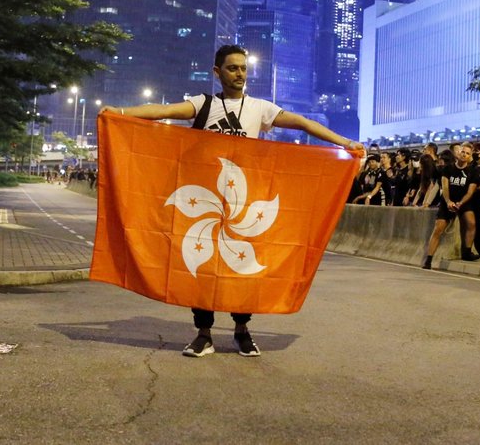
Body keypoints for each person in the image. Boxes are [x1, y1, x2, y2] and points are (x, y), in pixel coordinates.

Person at [102, 44, 364, 359]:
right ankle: (203, 334)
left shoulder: (259, 108)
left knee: (242, 269)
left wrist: (346, 142)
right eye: (232, 68)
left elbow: (303, 123)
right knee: (199, 267)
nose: (239, 74)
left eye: (243, 68)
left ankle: (242, 331)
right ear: (217, 72)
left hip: (243, 202)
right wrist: (118, 113)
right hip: (204, 201)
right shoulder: (203, 105)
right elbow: (161, 111)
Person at [422, 143, 480, 269]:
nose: (464, 155)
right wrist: (448, 201)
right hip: (448, 201)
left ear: (470, 156)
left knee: (471, 223)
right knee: (438, 228)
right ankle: (429, 259)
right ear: (458, 153)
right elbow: (445, 187)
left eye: (467, 153)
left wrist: (461, 203)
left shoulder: (473, 171)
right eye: (463, 152)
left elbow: (470, 191)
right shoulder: (447, 169)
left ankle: (467, 251)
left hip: (464, 201)